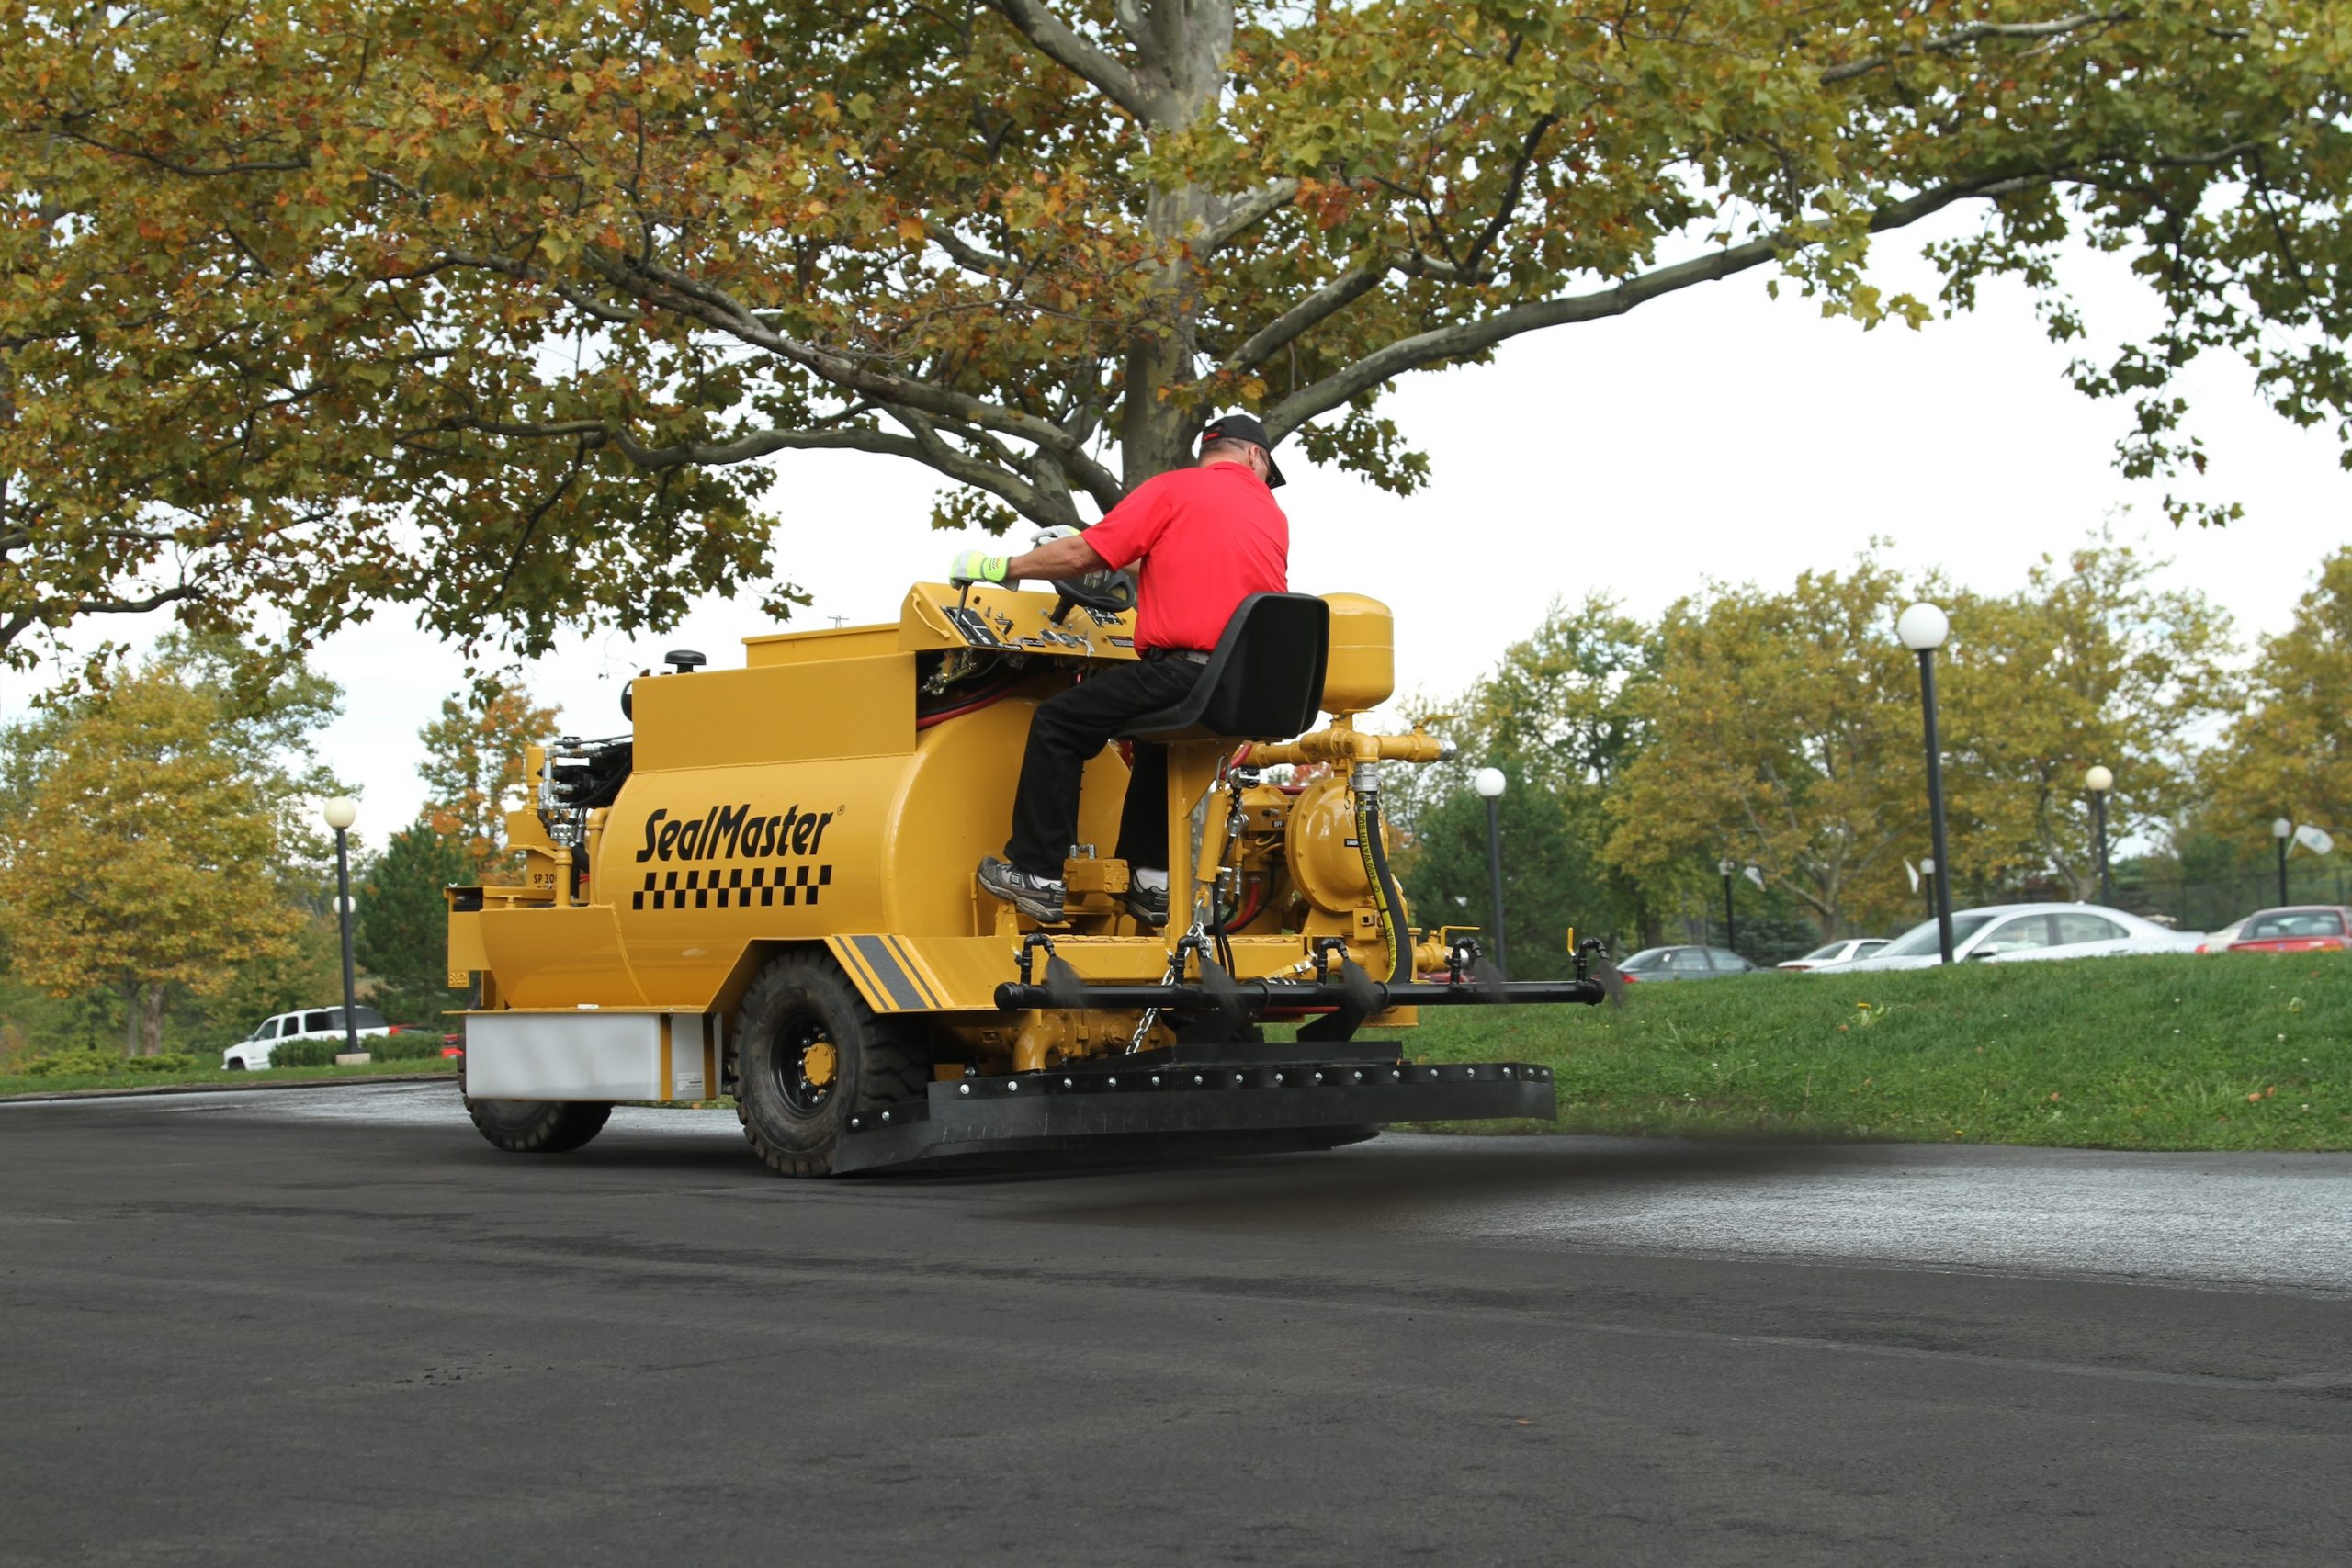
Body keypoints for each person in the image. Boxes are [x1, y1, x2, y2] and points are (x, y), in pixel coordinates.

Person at [950, 412, 1291, 927]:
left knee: (1059, 722)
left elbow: (1083, 555)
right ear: (1255, 456)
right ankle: (1151, 882)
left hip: (1187, 670)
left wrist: (1003, 567)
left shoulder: (1174, 489)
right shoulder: (1270, 514)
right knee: (1159, 737)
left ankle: (1038, 876)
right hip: (1247, 684)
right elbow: (1173, 560)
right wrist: (1103, 550)